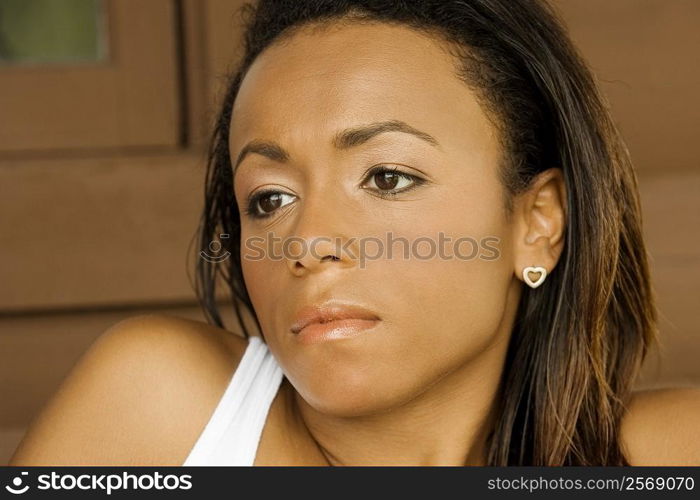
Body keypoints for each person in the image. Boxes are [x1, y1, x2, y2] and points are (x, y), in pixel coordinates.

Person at [9, 0, 700, 466]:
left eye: (387, 179)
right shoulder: (164, 407)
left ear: (537, 223)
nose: (307, 243)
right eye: (270, 197)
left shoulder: (670, 452)